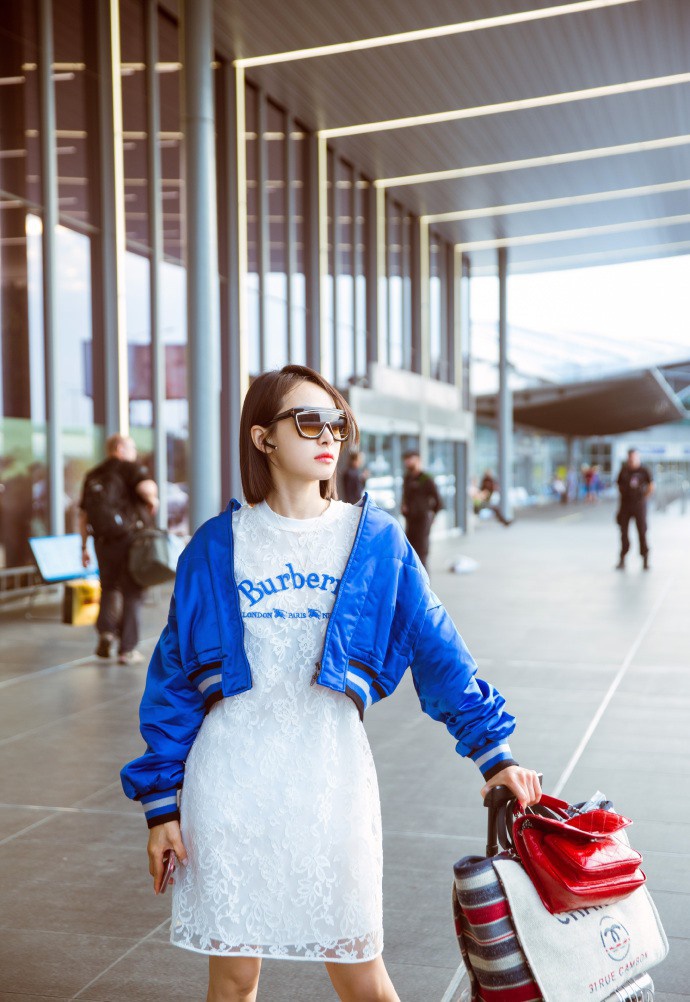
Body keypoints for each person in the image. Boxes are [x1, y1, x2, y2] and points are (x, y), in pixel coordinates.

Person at [120, 364, 541, 1002]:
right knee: (234, 978)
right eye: (308, 420)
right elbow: (174, 680)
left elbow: (437, 650)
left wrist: (495, 754)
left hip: (331, 780)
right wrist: (161, 807)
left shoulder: (375, 542)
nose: (329, 436)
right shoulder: (215, 546)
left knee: (358, 966)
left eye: (337, 422)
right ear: (263, 438)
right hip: (230, 783)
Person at [79, 434, 159, 664]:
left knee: (109, 587)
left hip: (103, 541)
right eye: (132, 447)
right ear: (121, 448)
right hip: (130, 541)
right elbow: (146, 488)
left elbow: (83, 516)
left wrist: (84, 546)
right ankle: (128, 649)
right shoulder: (129, 468)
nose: (134, 452)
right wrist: (153, 499)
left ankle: (106, 632)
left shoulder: (93, 474)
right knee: (133, 592)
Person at [400, 450, 443, 569]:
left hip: (422, 521)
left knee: (421, 553)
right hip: (410, 520)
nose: (407, 462)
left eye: (410, 459)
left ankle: (423, 584)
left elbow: (439, 502)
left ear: (418, 460)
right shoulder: (407, 478)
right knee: (410, 552)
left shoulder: (426, 479)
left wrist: (432, 516)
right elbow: (405, 497)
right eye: (406, 459)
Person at [616, 448, 654, 571]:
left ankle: (645, 558)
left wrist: (643, 498)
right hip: (625, 506)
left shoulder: (644, 470)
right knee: (624, 533)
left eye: (634, 457)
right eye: (630, 458)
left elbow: (651, 486)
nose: (632, 460)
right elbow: (618, 485)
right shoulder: (624, 470)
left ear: (637, 457)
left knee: (642, 532)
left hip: (639, 506)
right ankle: (622, 557)